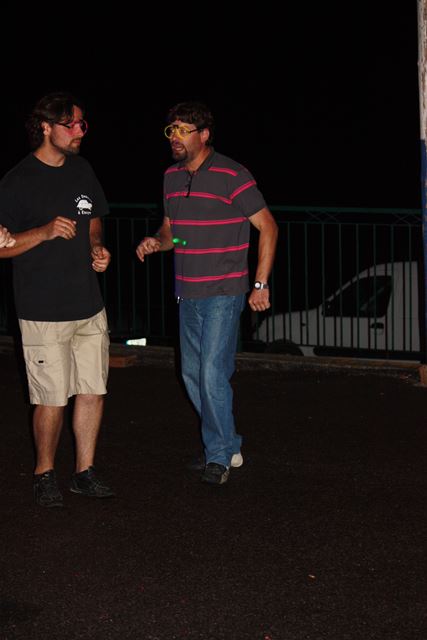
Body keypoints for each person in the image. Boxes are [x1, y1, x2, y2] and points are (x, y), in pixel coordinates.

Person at [136, 101, 278, 486]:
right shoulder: (170, 177)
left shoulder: (233, 174)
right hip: (187, 291)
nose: (175, 137)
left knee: (212, 372)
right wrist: (156, 241)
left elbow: (268, 226)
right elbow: (172, 230)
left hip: (224, 291)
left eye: (183, 130)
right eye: (172, 130)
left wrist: (260, 283)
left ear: (204, 135)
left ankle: (217, 457)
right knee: (191, 373)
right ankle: (228, 443)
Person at [0, 92, 114, 507]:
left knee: (92, 391)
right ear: (46, 127)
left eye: (83, 123)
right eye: (72, 124)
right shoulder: (17, 181)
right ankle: (44, 473)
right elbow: (2, 246)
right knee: (51, 398)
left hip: (89, 305)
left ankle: (84, 471)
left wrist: (97, 247)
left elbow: (94, 219)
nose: (80, 131)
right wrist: (44, 232)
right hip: (43, 310)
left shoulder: (83, 170)